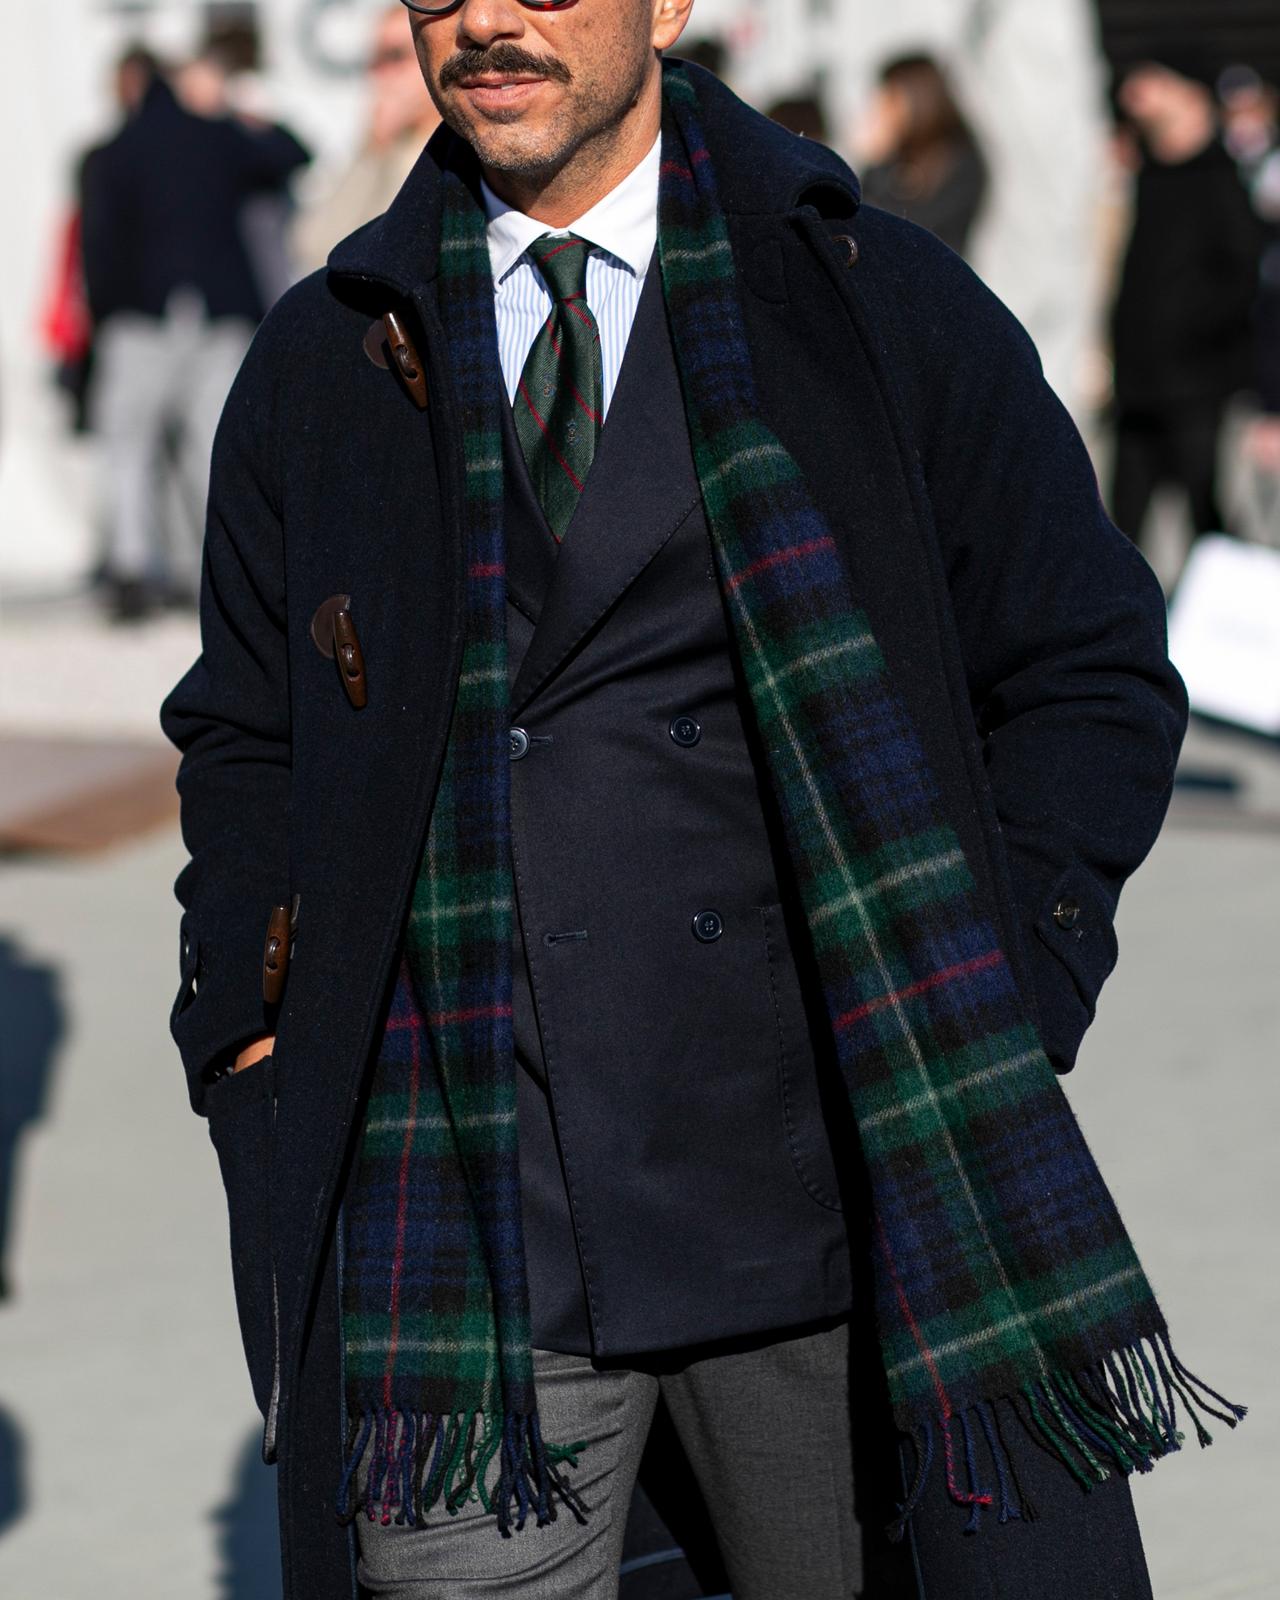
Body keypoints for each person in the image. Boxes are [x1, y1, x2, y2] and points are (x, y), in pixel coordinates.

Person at [162, 5, 1245, 1599]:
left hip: (816, 1206)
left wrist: (1005, 985)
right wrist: (253, 1044)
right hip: (463, 1232)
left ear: (670, 4)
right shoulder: (323, 363)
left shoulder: (878, 307)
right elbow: (242, 734)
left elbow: (1088, 668)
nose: (487, 16)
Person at [79, 48, 310, 621]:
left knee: (130, 449)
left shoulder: (111, 152)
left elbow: (97, 244)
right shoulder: (219, 137)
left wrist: (106, 312)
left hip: (139, 317)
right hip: (220, 314)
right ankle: (209, 575)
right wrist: (233, 108)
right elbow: (292, 154)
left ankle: (134, 568)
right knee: (213, 450)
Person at [1108, 53, 1263, 554]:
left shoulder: (1219, 179)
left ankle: (1228, 625)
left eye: (1156, 78)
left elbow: (1241, 279)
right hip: (1135, 387)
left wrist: (1195, 339)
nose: (1139, 90)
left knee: (1209, 522)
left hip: (1197, 386)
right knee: (1118, 530)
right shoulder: (1139, 175)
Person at [292, 5, 443, 274]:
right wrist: (373, 149)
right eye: (374, 59)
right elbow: (315, 246)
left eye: (394, 56)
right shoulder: (386, 147)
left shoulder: (456, 154)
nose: (379, 72)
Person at [855, 53, 987, 257]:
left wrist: (875, 162)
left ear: (918, 98)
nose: (881, 113)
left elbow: (912, 234)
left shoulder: (960, 163)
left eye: (891, 101)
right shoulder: (893, 161)